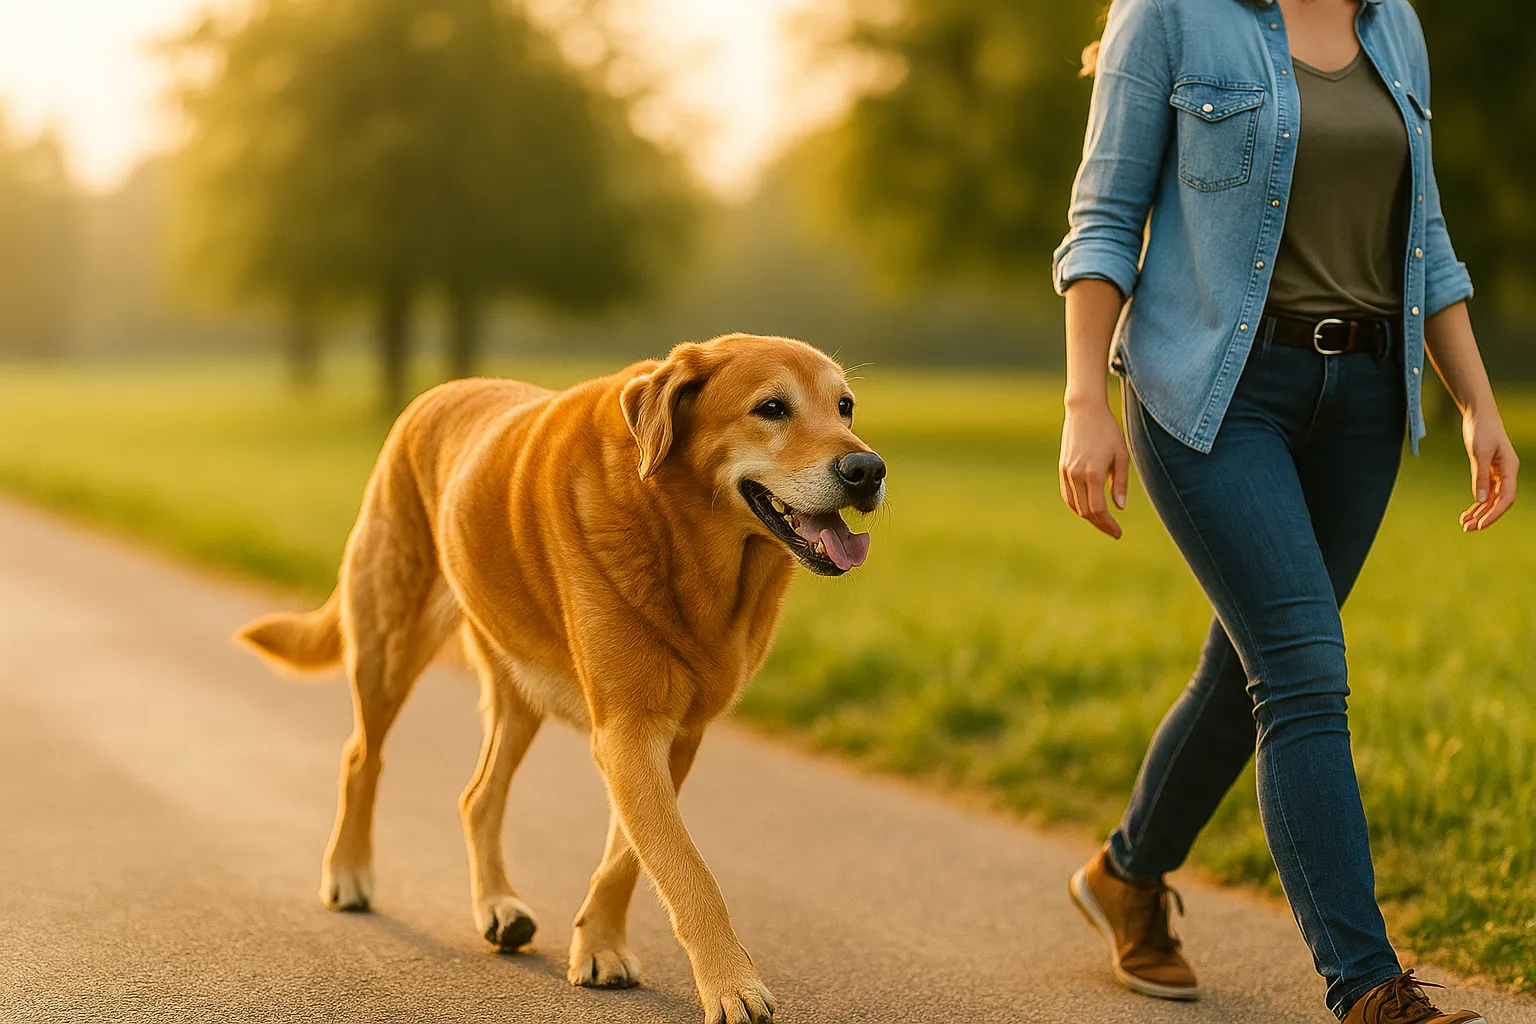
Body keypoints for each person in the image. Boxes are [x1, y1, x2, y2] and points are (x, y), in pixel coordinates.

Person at [1052, 0, 1519, 1021]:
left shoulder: (1392, 23)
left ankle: (1127, 875)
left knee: (1254, 662)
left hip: (1360, 401)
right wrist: (1086, 401)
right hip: (1211, 394)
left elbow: (1423, 232)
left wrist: (1477, 401)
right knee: (1304, 669)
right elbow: (1104, 217)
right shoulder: (1170, 15)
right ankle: (1366, 984)